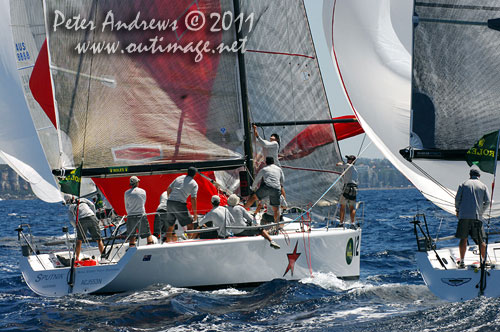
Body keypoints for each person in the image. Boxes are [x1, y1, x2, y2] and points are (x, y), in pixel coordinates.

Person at [455, 165, 490, 268]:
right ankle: (484, 261)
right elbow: (487, 201)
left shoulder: (463, 184)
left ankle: (461, 261)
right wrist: (481, 211)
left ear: (470, 175)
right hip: (477, 216)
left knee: (463, 239)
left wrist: (457, 210)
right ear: (479, 175)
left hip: (464, 216)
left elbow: (457, 199)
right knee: (481, 240)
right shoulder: (483, 186)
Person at [244, 156, 285, 224]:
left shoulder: (264, 169)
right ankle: (277, 227)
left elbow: (257, 180)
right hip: (276, 189)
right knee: (276, 210)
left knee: (253, 197)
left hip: (267, 187)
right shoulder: (279, 169)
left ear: (266, 162)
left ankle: (243, 209)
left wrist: (253, 188)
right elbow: (282, 180)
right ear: (273, 162)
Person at [65, 194, 104, 261]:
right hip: (92, 217)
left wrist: (76, 226)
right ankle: (103, 257)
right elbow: (92, 205)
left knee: (79, 240)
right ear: (73, 197)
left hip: (81, 220)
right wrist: (93, 215)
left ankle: (77, 259)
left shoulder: (70, 207)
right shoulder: (83, 199)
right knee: (99, 239)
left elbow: (71, 220)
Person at [165, 166, 199, 242]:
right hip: (179, 204)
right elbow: (193, 198)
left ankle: (167, 242)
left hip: (169, 202)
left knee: (170, 226)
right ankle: (189, 242)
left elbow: (168, 189)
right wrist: (195, 213)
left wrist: (170, 199)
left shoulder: (179, 177)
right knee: (190, 224)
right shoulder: (194, 184)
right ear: (195, 174)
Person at [124, 176, 154, 247]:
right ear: (137, 183)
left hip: (131, 215)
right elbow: (143, 202)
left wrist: (130, 212)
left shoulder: (127, 193)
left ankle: (132, 250)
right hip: (141, 214)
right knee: (147, 233)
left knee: (132, 236)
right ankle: (151, 247)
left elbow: (126, 205)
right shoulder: (143, 191)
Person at [336, 155, 358, 227]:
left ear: (352, 161)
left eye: (349, 159)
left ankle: (341, 223)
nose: (347, 160)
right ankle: (352, 223)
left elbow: (338, 165)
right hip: (354, 188)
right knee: (352, 207)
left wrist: (340, 162)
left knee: (342, 206)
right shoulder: (355, 170)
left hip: (347, 187)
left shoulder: (349, 166)